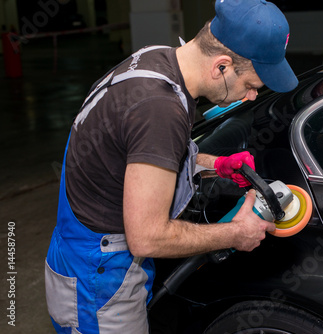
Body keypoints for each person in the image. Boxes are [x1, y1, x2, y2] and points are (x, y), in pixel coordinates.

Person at [44, 0, 298, 333]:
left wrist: (216, 164)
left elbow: (140, 153)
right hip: (98, 280)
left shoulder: (157, 59)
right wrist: (235, 234)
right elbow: (147, 238)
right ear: (221, 66)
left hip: (81, 253)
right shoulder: (160, 108)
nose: (251, 97)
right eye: (251, 85)